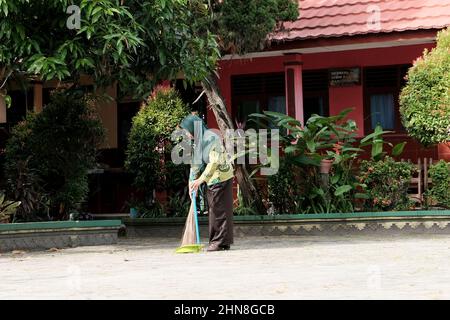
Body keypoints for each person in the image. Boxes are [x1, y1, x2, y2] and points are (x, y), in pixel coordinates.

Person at [179, 114, 234, 252]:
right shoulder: (197, 142)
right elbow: (195, 164)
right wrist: (191, 182)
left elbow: (213, 162)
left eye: (186, 130)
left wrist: (200, 180)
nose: (186, 133)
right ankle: (222, 242)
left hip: (220, 177)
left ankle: (218, 242)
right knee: (218, 209)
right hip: (212, 178)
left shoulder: (210, 138)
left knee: (218, 210)